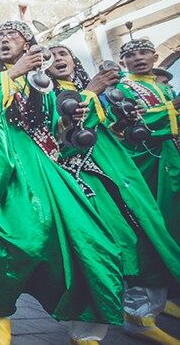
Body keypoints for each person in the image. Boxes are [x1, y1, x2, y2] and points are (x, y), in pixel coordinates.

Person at [0, 21, 140, 344]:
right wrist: (12, 73)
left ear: (28, 42)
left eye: (11, 35)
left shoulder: (43, 84)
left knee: (92, 240)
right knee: (24, 239)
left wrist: (69, 122)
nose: (3, 39)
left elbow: (57, 135)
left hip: (49, 168)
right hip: (10, 168)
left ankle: (86, 329)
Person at [48, 43, 180, 342]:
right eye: (51, 56)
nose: (58, 59)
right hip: (81, 178)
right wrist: (92, 91)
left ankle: (141, 312)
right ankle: (86, 331)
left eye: (63, 54)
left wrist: (125, 119)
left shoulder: (100, 90)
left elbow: (114, 129)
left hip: (118, 171)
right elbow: (64, 135)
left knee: (146, 236)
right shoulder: (44, 95)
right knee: (99, 248)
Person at [113, 39, 179, 245]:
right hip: (148, 156)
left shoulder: (165, 88)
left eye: (143, 52)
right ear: (123, 63)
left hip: (172, 150)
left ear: (155, 57)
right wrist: (173, 107)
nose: (138, 58)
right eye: (131, 55)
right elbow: (136, 124)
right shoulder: (122, 89)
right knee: (164, 207)